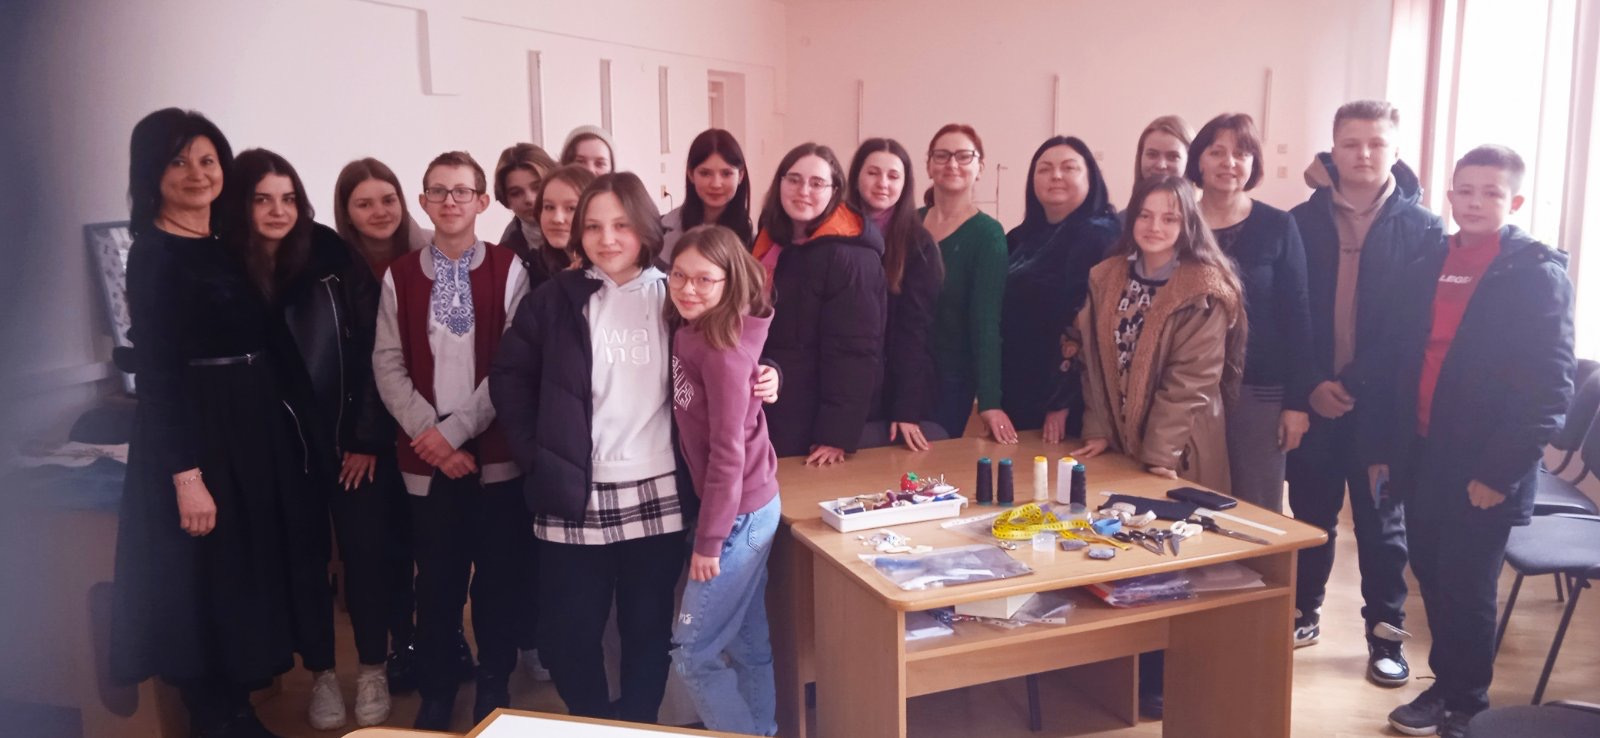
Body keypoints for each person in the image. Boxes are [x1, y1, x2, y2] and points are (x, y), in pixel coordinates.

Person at [109, 108, 331, 738]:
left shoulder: (222, 243)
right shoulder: (154, 255)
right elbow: (158, 375)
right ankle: (213, 719)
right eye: (179, 161)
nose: (197, 173)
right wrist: (186, 477)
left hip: (248, 432)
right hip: (199, 440)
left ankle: (237, 711)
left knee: (241, 577)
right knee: (203, 584)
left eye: (207, 160)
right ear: (152, 173)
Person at [1366, 145, 1574, 737]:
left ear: (1515, 201)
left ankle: (1468, 704)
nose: (1476, 201)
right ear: (1450, 194)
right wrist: (1384, 450)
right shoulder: (1431, 261)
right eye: (1466, 190)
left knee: (1468, 588)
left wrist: (1499, 473)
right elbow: (1400, 362)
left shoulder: (1536, 275)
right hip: (1421, 454)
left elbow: (1549, 388)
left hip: (1484, 467)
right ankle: (1445, 686)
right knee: (1431, 576)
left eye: (1491, 192)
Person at [228, 148, 397, 728]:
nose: (278, 211)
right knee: (302, 562)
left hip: (350, 440)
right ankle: (322, 672)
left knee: (365, 556)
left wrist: (366, 437)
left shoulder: (331, 254)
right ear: (242, 205)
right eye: (263, 199)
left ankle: (372, 667)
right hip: (280, 449)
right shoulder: (229, 267)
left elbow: (375, 348)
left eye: (288, 198)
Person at [372, 150, 530, 730]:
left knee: (497, 582)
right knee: (436, 584)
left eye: (462, 191)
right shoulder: (400, 275)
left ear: (483, 201)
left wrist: (456, 431)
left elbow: (512, 363)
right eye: (438, 191)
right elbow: (387, 363)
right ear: (423, 201)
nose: (450, 201)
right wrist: (429, 434)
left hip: (495, 457)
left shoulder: (510, 269)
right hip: (427, 460)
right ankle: (437, 690)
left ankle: (494, 684)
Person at [1285, 100, 1442, 685]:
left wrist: (1351, 382)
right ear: (1333, 149)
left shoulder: (1424, 229)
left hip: (1382, 408)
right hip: (1315, 401)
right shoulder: (1299, 222)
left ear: (1395, 151)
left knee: (1382, 528)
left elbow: (1412, 326)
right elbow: (1288, 315)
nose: (1364, 154)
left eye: (1377, 143)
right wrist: (1311, 385)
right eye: (1352, 143)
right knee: (1312, 516)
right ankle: (1303, 613)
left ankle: (1386, 637)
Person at [333, 156, 474, 695]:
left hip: (428, 433)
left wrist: (442, 434)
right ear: (346, 211)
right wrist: (365, 438)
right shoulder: (335, 271)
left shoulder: (431, 258)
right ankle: (396, 648)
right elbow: (365, 366)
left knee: (436, 551)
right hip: (372, 440)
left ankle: (443, 639)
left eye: (387, 199)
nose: (379, 211)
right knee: (382, 550)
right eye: (364, 203)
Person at [663, 225, 781, 735]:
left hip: (739, 516)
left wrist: (710, 541)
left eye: (704, 280)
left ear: (730, 282)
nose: (688, 289)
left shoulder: (722, 351)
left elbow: (728, 457)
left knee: (692, 653)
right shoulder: (691, 330)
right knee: (748, 643)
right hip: (744, 508)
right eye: (679, 276)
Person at [1187, 113, 1313, 509]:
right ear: (1199, 160)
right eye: (1217, 152)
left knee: (1256, 508)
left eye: (1241, 154)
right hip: (1188, 387)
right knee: (1190, 502)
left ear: (1254, 163)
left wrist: (1297, 404)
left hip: (1259, 391)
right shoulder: (1179, 224)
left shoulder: (1278, 225)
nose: (1229, 162)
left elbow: (1298, 317)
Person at [751, 143, 887, 464]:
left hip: (810, 421)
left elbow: (855, 352)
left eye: (817, 183)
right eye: (794, 179)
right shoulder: (770, 239)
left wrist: (835, 435)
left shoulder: (852, 255)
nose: (803, 191)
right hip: (769, 401)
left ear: (834, 190)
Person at [1005, 136, 1121, 440]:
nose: (1055, 175)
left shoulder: (1098, 235)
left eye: (1069, 168)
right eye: (1044, 169)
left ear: (1090, 178)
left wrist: (1061, 401)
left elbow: (1083, 320)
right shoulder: (1019, 238)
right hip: (1020, 388)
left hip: (1065, 402)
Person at [847, 137, 946, 450]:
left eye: (893, 176)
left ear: (905, 184)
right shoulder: (834, 233)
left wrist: (906, 408)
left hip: (890, 386)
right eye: (873, 173)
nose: (883, 183)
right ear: (856, 176)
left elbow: (914, 333)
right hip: (841, 378)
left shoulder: (918, 244)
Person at [917, 124, 1011, 442]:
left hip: (950, 379)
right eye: (942, 155)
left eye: (963, 156)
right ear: (929, 165)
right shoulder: (909, 224)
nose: (952, 164)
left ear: (980, 167)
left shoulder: (987, 235)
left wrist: (990, 401)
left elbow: (986, 322)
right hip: (899, 371)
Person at [661, 128, 754, 262]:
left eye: (726, 174)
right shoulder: (661, 234)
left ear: (740, 175)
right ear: (691, 174)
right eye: (705, 173)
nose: (716, 184)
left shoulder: (754, 243)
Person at [492, 142, 559, 274]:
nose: (529, 199)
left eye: (537, 187)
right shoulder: (506, 255)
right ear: (506, 200)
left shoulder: (585, 233)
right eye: (516, 193)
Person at [534, 164, 596, 277]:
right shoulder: (537, 264)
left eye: (571, 208)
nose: (557, 219)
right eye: (549, 207)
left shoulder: (614, 271)